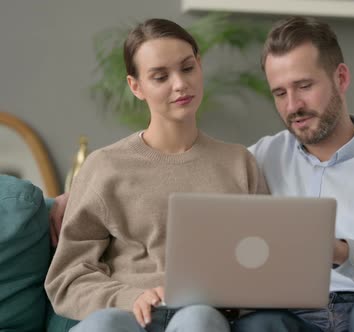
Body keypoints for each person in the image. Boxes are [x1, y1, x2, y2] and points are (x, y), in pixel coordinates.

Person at [50, 16, 354, 332]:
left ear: (341, 78)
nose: (293, 105)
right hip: (289, 316)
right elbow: (164, 181)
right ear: (136, 86)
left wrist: (342, 251)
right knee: (259, 323)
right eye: (280, 92)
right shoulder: (260, 157)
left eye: (304, 86)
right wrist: (69, 197)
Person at [44, 18, 267, 332]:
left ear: (200, 66)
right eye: (160, 76)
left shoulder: (239, 162)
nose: (180, 84)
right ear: (136, 87)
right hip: (126, 314)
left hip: (204, 314)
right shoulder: (104, 166)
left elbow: (262, 265)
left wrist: (225, 298)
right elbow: (68, 277)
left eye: (187, 68)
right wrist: (131, 297)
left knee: (198, 320)